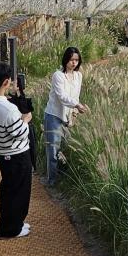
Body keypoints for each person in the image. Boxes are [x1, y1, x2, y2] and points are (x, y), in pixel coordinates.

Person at [0, 62, 33, 238]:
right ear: (5, 82)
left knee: (9, 190)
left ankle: (13, 224)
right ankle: (11, 229)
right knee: (19, 192)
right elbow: (20, 133)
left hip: (2, 153)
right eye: (9, 79)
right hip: (17, 155)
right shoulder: (8, 109)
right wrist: (25, 119)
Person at [43, 47, 88, 187]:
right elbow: (62, 97)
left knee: (67, 149)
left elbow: (75, 95)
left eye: (76, 60)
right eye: (71, 60)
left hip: (68, 117)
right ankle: (52, 182)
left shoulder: (78, 76)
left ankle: (63, 180)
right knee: (53, 150)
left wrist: (74, 113)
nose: (74, 63)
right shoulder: (58, 75)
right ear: (65, 59)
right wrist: (77, 105)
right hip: (54, 116)